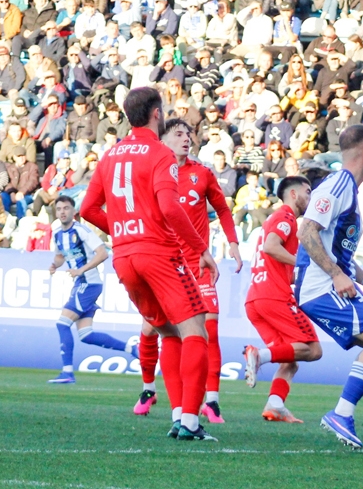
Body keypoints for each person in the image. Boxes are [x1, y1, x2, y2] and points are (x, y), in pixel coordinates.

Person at [79, 87, 219, 441]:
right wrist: (200, 248)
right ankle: (190, 421)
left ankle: (177, 414)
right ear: (157, 113)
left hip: (125, 257)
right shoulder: (159, 153)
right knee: (196, 333)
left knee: (168, 332)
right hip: (159, 254)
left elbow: (87, 210)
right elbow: (171, 208)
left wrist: (127, 230)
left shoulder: (110, 155)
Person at [295, 125, 363, 453]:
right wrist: (334, 275)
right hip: (319, 288)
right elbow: (307, 232)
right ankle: (341, 412)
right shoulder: (338, 184)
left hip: (329, 283)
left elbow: (337, 252)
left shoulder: (347, 189)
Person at [130, 119, 242, 424]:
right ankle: (149, 388)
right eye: (178, 134)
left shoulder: (202, 173)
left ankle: (212, 400)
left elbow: (222, 208)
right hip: (163, 264)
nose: (186, 139)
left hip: (198, 263)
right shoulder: (152, 170)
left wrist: (232, 243)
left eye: (188, 134)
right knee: (154, 329)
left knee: (208, 330)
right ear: (163, 140)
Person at [242, 175, 322, 423]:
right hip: (274, 296)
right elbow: (270, 247)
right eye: (308, 192)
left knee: (291, 357)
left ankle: (275, 405)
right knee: (313, 349)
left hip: (256, 298)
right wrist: (304, 264)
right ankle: (259, 356)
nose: (310, 198)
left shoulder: (274, 220)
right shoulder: (285, 216)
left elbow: (274, 257)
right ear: (294, 194)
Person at [45, 195, 135, 385]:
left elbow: (102, 253)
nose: (62, 212)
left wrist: (81, 270)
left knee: (62, 324)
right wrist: (54, 265)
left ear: (74, 211)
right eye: (59, 209)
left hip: (89, 283)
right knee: (86, 335)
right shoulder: (58, 234)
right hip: (81, 284)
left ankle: (67, 372)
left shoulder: (81, 230)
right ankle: (132, 349)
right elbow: (61, 256)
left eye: (66, 208)